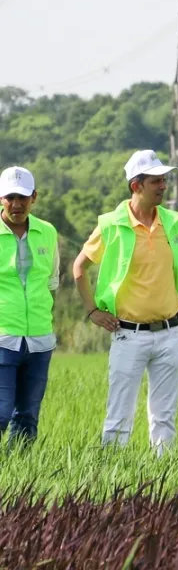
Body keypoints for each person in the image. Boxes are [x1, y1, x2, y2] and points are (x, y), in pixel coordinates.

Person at [72, 150, 178, 454]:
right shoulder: (110, 225)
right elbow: (79, 268)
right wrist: (92, 311)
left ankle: (164, 480)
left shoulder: (174, 223)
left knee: (165, 418)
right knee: (118, 417)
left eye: (164, 180)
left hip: (170, 333)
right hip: (127, 334)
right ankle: (111, 478)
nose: (163, 186)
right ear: (136, 185)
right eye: (156, 181)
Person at [0, 166, 59, 447]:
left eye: (23, 197)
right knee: (0, 412)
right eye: (10, 197)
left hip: (39, 339)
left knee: (27, 417)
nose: (17, 204)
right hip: (3, 337)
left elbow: (51, 283)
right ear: (1, 199)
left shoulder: (47, 232)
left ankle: (18, 475)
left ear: (34, 197)